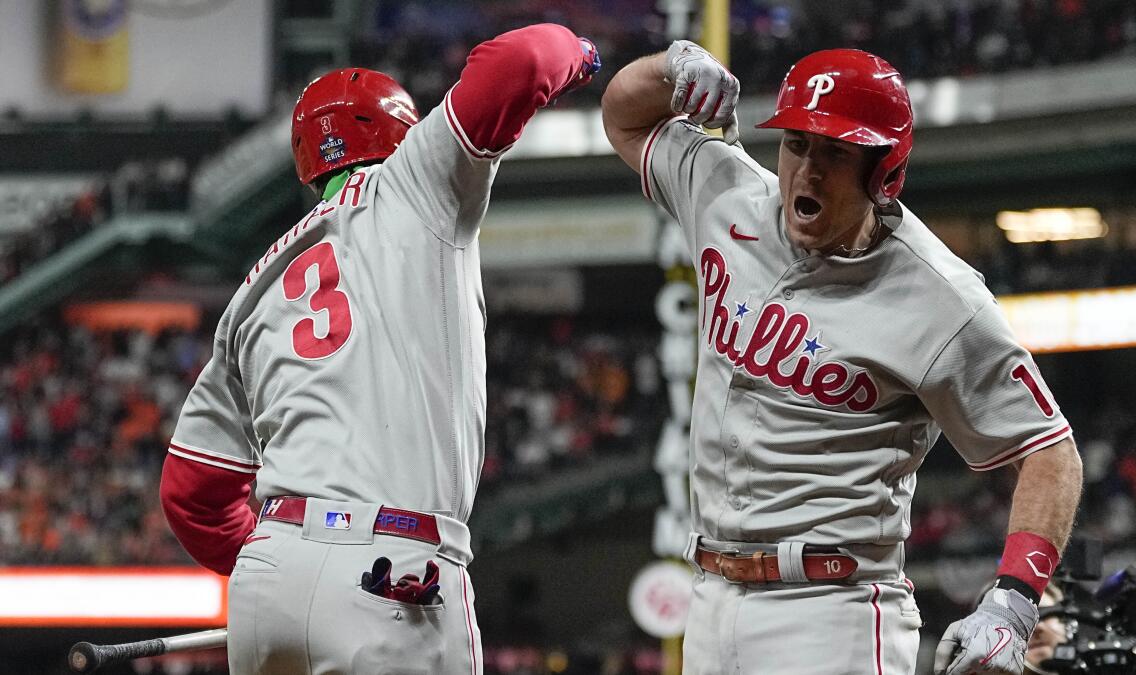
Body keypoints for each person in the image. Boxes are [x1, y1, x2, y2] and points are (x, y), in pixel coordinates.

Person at [601, 42, 1083, 674]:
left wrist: (1014, 600)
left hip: (832, 609)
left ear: (883, 170)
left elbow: (1049, 450)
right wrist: (672, 67)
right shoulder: (728, 194)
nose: (807, 171)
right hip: (710, 596)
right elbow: (624, 114)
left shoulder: (942, 297)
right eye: (797, 144)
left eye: (835, 151)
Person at [158, 25, 600, 675]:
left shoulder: (252, 292)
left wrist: (292, 564)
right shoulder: (414, 182)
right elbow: (525, 58)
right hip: (392, 568)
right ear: (401, 134)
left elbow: (190, 492)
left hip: (268, 578)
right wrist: (586, 53)